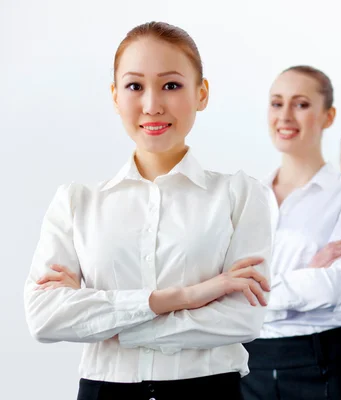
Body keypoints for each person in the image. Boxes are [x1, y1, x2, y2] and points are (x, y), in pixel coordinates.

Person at [23, 21, 272, 400]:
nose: (152, 105)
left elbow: (243, 318)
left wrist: (112, 324)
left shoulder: (240, 195)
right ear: (115, 95)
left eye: (171, 85)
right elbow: (43, 317)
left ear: (201, 93)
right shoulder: (76, 203)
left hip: (209, 392)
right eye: (134, 86)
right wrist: (183, 298)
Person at [240, 66, 341, 400]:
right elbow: (217, 287)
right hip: (249, 365)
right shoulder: (245, 198)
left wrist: (253, 290)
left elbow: (337, 284)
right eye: (276, 103)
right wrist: (305, 275)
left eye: (300, 104)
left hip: (326, 359)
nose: (285, 116)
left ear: (328, 116)